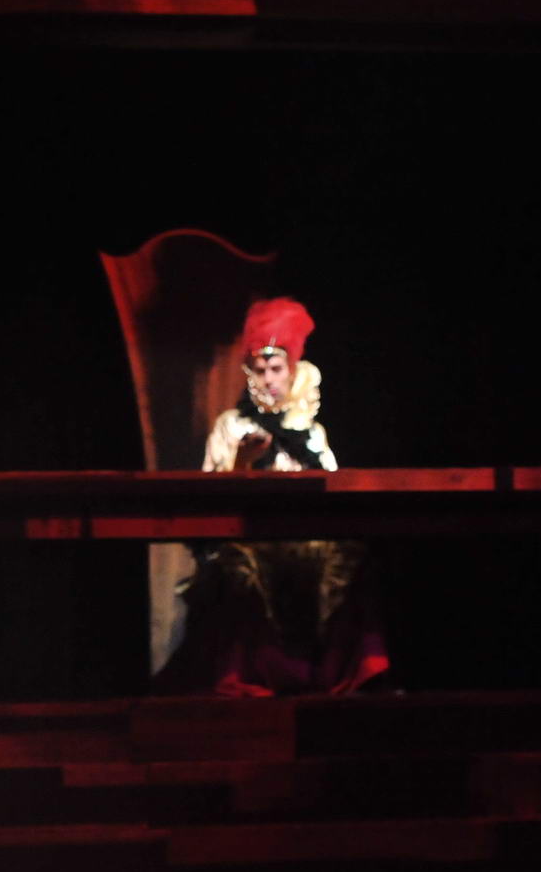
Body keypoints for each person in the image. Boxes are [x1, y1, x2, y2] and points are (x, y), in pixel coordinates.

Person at [164, 298, 391, 696]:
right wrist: (242, 463)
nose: (269, 378)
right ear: (249, 373)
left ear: (292, 370)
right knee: (237, 569)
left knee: (350, 557)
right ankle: (251, 675)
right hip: (251, 539)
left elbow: (333, 489)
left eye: (277, 368)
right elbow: (209, 497)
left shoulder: (310, 431)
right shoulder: (231, 426)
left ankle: (347, 672)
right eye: (260, 369)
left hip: (305, 539)